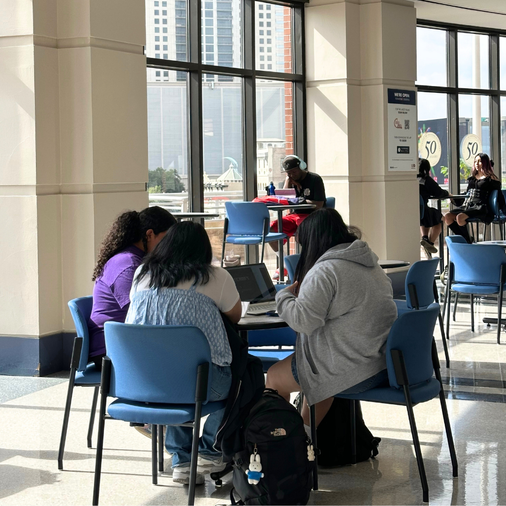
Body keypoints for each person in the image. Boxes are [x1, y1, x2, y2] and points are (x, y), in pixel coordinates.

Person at [126, 221, 241, 486]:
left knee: (173, 369)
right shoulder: (216, 277)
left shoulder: (143, 273)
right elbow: (235, 315)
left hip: (143, 382)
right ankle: (210, 451)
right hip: (197, 385)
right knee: (239, 378)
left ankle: (181, 460)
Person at [265, 208, 397, 433]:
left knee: (275, 377)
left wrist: (283, 296)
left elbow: (304, 322)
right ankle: (304, 437)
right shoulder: (371, 264)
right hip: (379, 363)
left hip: (351, 369)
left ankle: (282, 445)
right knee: (316, 368)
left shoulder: (326, 270)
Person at [88, 206, 176, 369]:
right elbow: (141, 312)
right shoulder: (128, 265)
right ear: (150, 235)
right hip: (110, 350)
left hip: (124, 341)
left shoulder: (137, 260)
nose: (169, 247)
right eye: (166, 240)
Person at [269, 155, 326, 253]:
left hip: (311, 216)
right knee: (271, 229)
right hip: (295, 215)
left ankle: (309, 258)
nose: (292, 175)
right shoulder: (290, 181)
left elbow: (318, 205)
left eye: (294, 172)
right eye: (289, 173)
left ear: (300, 168)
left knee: (302, 230)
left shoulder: (315, 179)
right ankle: (283, 259)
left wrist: (300, 200)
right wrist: (288, 182)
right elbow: (284, 201)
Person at [444, 153, 501, 243]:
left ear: (485, 163)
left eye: (479, 161)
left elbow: (499, 196)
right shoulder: (472, 179)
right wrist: (452, 197)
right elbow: (467, 193)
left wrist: (502, 211)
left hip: (480, 206)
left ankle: (467, 241)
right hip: (469, 205)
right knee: (447, 217)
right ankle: (467, 239)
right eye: (475, 162)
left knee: (460, 217)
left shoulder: (491, 179)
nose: (476, 164)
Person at [418, 158, 450, 258]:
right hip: (423, 212)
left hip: (415, 212)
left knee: (426, 217)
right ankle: (429, 244)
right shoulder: (426, 180)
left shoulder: (411, 179)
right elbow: (439, 192)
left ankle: (425, 238)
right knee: (440, 219)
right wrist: (448, 194)